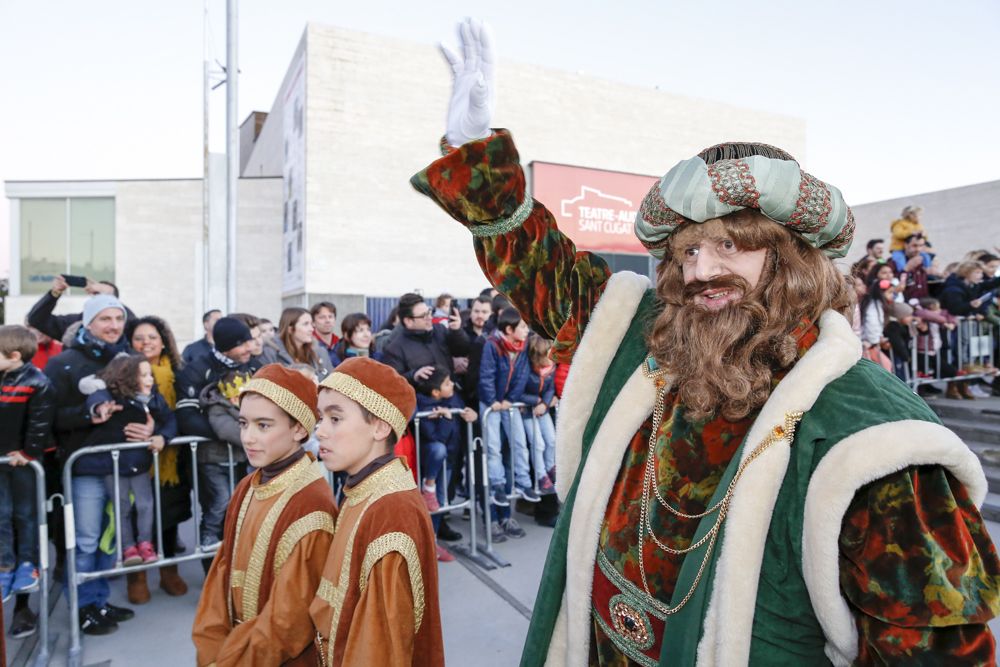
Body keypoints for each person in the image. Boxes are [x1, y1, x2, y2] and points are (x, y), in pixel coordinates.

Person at [410, 21, 999, 664]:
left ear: (795, 260)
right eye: (687, 250)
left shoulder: (874, 436)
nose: (701, 272)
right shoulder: (653, 349)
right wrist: (475, 154)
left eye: (731, 244)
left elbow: (936, 651)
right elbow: (543, 272)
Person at [192, 364, 337, 666]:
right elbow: (222, 572)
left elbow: (290, 618)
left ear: (299, 429)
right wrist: (212, 649)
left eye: (264, 425)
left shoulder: (310, 502)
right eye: (244, 423)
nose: (248, 437)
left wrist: (235, 660)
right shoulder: (248, 485)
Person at [310, 357, 444, 666]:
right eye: (320, 418)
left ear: (380, 427)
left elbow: (379, 648)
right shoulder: (361, 490)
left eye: (335, 418)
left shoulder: (392, 511)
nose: (320, 432)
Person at [45, 294, 143, 635]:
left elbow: (144, 404)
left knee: (108, 539)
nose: (114, 325)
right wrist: (89, 415)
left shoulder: (129, 359)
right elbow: (49, 418)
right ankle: (82, 607)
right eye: (105, 319)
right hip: (84, 467)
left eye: (118, 318)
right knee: (86, 540)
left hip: (123, 465)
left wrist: (150, 426)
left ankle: (98, 599)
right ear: (88, 323)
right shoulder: (63, 363)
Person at [82, 354, 176, 569]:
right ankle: (128, 547)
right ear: (127, 377)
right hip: (113, 465)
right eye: (144, 375)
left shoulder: (153, 398)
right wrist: (99, 409)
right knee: (121, 506)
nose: (150, 379)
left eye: (150, 374)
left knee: (145, 505)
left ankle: (145, 544)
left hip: (139, 464)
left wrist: (162, 436)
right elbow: (96, 399)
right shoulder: (113, 396)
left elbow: (169, 419)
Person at [175, 317, 258, 556]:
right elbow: (187, 416)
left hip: (245, 457)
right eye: (242, 344)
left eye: (250, 342)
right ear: (225, 346)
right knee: (217, 508)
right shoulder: (198, 368)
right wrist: (230, 433)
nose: (249, 348)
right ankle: (212, 577)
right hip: (211, 457)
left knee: (243, 512)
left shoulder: (252, 367)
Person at [125, 315, 188, 601]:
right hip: (134, 456)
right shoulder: (122, 372)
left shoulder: (177, 371)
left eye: (152, 337)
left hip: (171, 454)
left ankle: (168, 571)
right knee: (136, 515)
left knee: (169, 514)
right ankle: (136, 576)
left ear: (163, 341)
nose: (146, 342)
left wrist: (163, 433)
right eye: (139, 338)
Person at [0, 324, 54, 634]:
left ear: (14, 355)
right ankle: (5, 565)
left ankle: (26, 564)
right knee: (3, 515)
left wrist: (29, 453)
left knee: (26, 515)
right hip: (1, 462)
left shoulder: (37, 382)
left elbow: (39, 423)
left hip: (22, 462)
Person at [478, 307, 538, 507]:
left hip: (508, 403)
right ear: (510, 329)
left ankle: (524, 483)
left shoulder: (524, 345)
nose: (526, 330)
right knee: (493, 446)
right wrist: (493, 400)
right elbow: (487, 375)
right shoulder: (492, 345)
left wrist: (510, 399)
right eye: (522, 326)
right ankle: (497, 485)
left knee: (520, 443)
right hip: (491, 403)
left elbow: (522, 374)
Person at [383, 293, 470, 387]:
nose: (430, 317)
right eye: (424, 315)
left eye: (429, 312)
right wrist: (414, 375)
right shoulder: (395, 348)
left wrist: (456, 331)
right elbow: (393, 383)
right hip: (421, 399)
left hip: (450, 393)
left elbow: (462, 350)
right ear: (408, 321)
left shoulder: (440, 330)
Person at [27, 276, 135, 343]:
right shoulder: (76, 324)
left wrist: (110, 296)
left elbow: (134, 327)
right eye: (97, 294)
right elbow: (36, 319)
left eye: (107, 296)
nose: (113, 325)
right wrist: (54, 293)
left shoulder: (125, 325)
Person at [522, 335, 557, 495]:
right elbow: (517, 392)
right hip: (528, 411)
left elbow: (550, 389)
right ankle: (541, 475)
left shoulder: (550, 369)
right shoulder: (527, 370)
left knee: (551, 440)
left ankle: (550, 468)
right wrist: (535, 400)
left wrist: (544, 403)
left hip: (542, 409)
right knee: (538, 444)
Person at [269, 307, 333, 379]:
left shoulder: (320, 352)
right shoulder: (271, 353)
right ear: (290, 329)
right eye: (305, 324)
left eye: (311, 324)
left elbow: (331, 382)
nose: (311, 329)